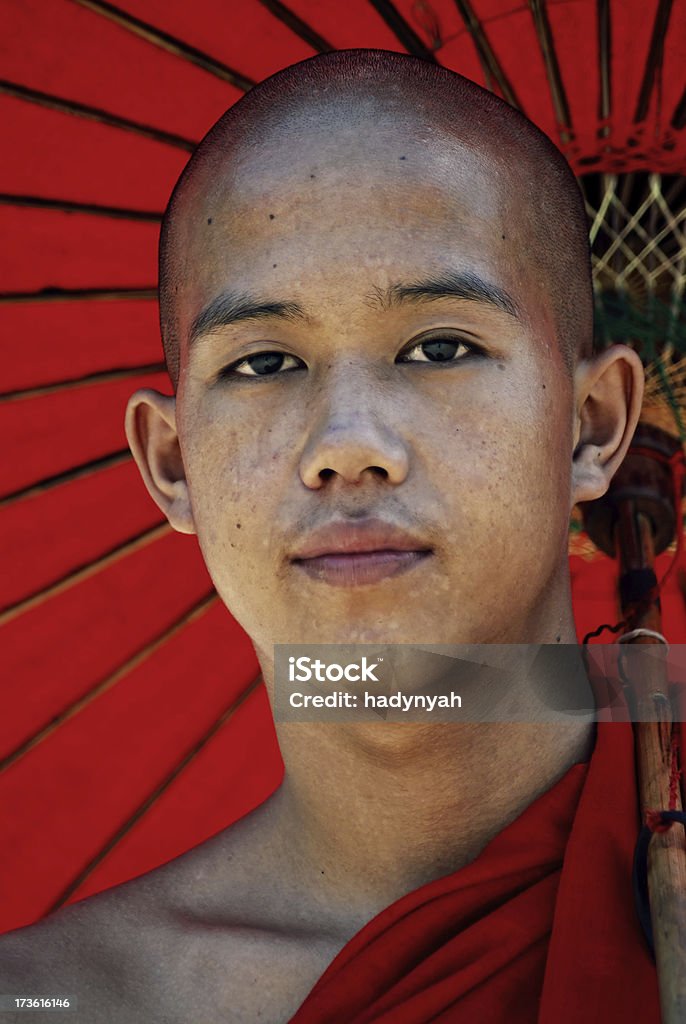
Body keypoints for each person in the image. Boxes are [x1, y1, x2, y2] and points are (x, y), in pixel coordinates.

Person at [0, 48, 659, 1023]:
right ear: (172, 462)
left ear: (590, 424)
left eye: (440, 347)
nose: (347, 446)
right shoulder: (55, 999)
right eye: (263, 362)